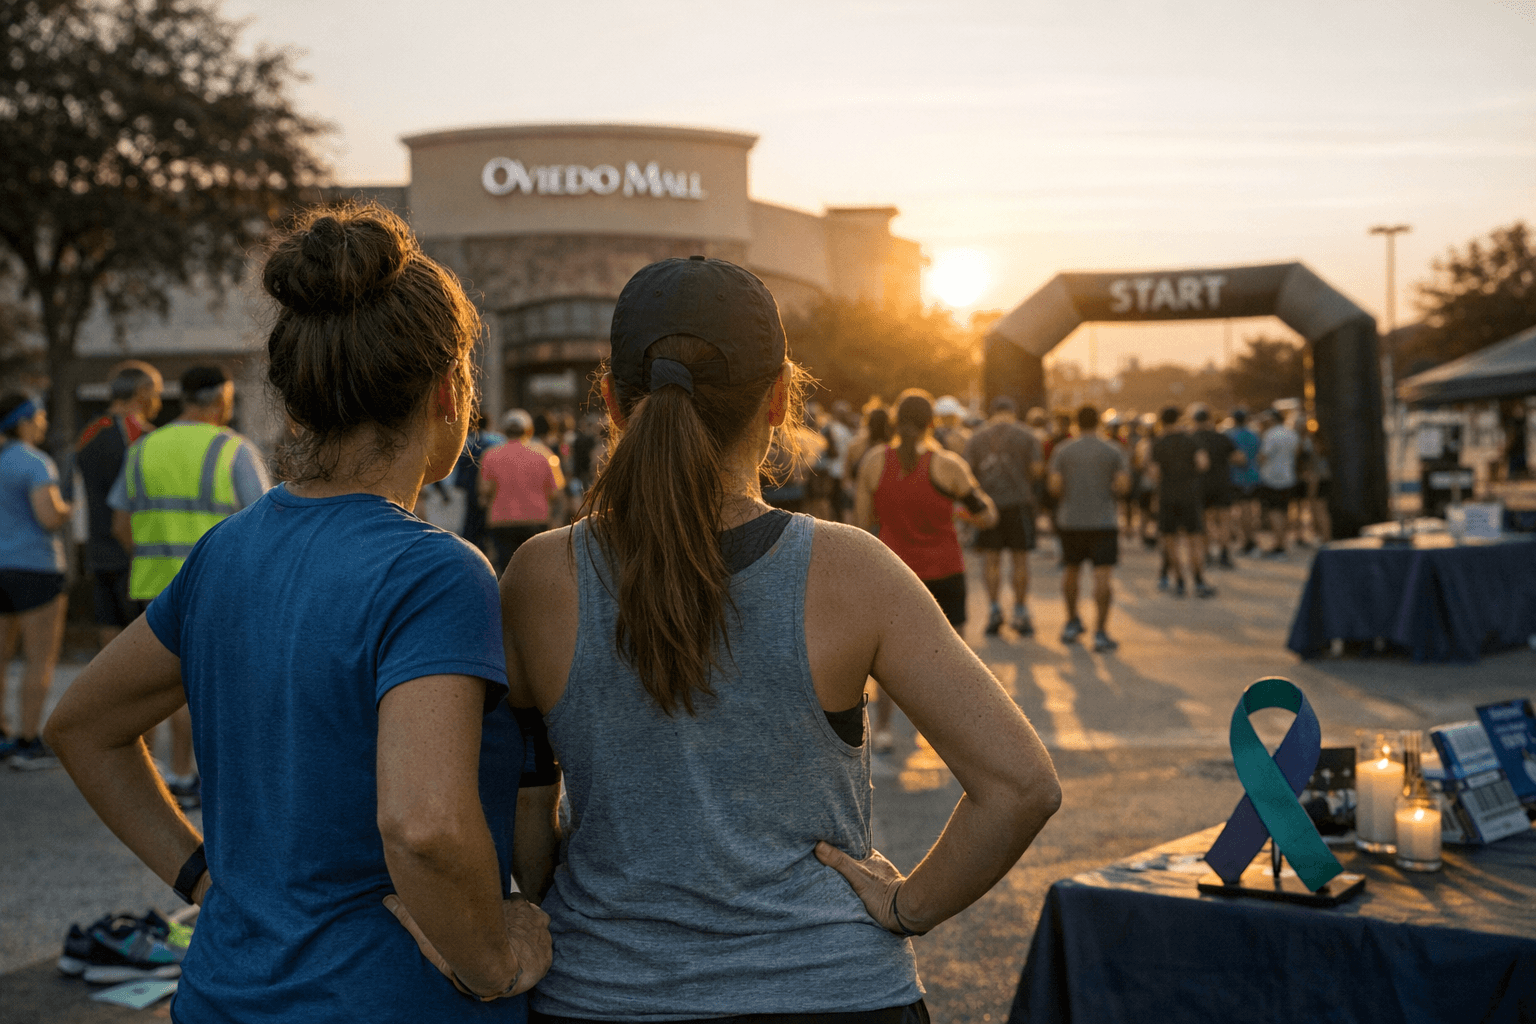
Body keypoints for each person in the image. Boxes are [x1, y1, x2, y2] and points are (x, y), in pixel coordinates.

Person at [499, 255, 1058, 1020]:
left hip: (607, 994)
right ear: (778, 401)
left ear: (611, 402)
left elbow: (521, 798)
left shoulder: (540, 576)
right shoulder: (850, 570)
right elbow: (1020, 786)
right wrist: (906, 908)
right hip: (833, 990)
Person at [46, 204, 552, 1023]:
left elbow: (81, 724)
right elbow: (422, 825)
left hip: (220, 994)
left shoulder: (223, 554)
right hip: (385, 1000)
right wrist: (498, 957)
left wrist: (202, 879)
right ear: (448, 391)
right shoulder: (434, 572)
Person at [106, 365, 271, 809]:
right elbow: (265, 525)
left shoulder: (142, 449)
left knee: (153, 685)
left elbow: (121, 524)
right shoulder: (232, 449)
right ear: (220, 399)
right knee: (196, 687)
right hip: (216, 590)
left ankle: (156, 776)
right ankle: (186, 775)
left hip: (150, 584)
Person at [0, 394, 72, 769]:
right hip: (35, 569)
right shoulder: (34, 461)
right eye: (41, 415)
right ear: (25, 420)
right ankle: (27, 742)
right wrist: (67, 509)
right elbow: (48, 516)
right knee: (38, 660)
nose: (44, 421)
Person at [71, 362, 162, 649]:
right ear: (142, 392)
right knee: (141, 642)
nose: (158, 401)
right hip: (133, 550)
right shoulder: (141, 435)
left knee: (108, 632)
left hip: (98, 550)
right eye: (157, 393)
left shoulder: (88, 433)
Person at [1048, 406, 1132, 652]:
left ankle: (1072, 621)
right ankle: (1101, 632)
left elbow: (1054, 486)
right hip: (1104, 520)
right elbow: (1123, 485)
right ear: (1099, 423)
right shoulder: (1113, 450)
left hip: (1071, 520)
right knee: (1103, 576)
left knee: (1071, 572)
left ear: (1075, 422)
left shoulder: (1062, 450)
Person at [963, 396, 1042, 636]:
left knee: (991, 560)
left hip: (989, 506)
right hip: (1019, 503)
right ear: (1014, 412)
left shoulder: (976, 438)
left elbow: (967, 473)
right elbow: (1037, 471)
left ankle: (995, 609)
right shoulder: (1028, 436)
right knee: (1020, 560)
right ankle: (1019, 610)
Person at [480, 409, 564, 574]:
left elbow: (484, 490)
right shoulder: (544, 454)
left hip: (501, 520)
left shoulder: (490, 455)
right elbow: (555, 492)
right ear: (529, 430)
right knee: (535, 571)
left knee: (506, 569)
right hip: (536, 519)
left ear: (504, 430)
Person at [1149, 406, 1213, 598]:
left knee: (1171, 542)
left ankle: (1179, 581)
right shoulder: (1191, 440)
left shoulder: (1158, 443)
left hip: (1167, 496)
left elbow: (1154, 473)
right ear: (1179, 419)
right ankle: (1199, 581)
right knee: (1194, 540)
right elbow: (1203, 464)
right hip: (1190, 495)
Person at [1190, 405, 1242, 569]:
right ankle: (1225, 554)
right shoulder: (1221, 437)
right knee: (1224, 521)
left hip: (1201, 485)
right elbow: (1238, 458)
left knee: (1205, 521)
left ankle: (1206, 554)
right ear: (1209, 419)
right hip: (1222, 483)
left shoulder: (1192, 439)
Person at [1256, 410, 1300, 556]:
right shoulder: (1292, 434)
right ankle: (1283, 544)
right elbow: (1297, 453)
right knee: (1284, 511)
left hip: (1272, 478)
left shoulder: (1270, 434)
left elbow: (1263, 456)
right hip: (1289, 477)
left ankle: (1279, 545)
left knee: (1274, 513)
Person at [1226, 408, 1262, 554]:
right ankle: (1250, 540)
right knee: (1251, 511)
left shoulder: (1231, 435)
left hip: (1237, 477)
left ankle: (1248, 542)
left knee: (1242, 512)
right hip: (1254, 475)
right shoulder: (1254, 435)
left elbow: (1236, 458)